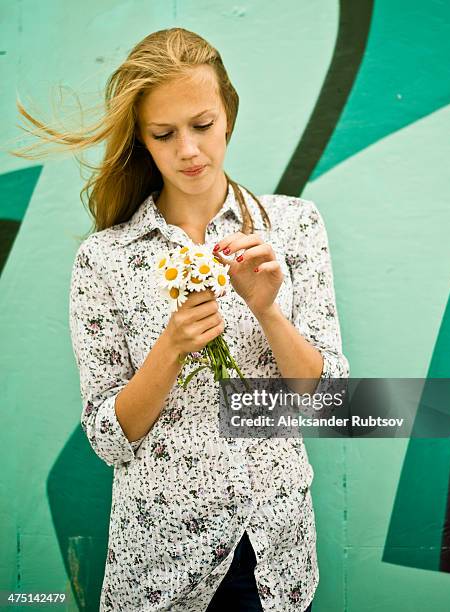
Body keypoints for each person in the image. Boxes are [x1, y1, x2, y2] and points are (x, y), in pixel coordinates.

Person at [11, 27, 349, 611]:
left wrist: (268, 311)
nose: (189, 150)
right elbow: (107, 439)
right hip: (160, 564)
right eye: (164, 134)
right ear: (142, 141)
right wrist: (170, 347)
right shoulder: (106, 258)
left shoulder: (293, 227)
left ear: (228, 119)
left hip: (276, 552)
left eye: (203, 125)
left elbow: (329, 402)